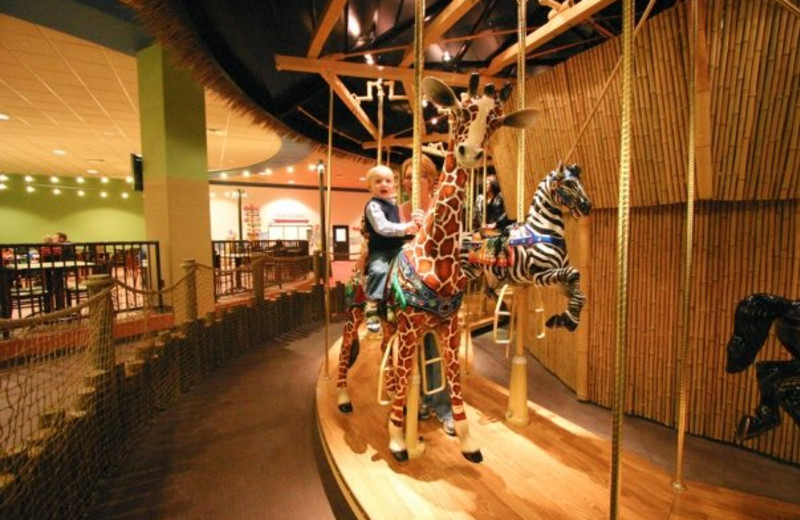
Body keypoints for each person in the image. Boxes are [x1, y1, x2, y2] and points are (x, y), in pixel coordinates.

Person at [363, 164, 421, 334]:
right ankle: (372, 305)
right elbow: (383, 227)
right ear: (369, 186)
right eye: (378, 181)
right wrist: (407, 227)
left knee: (411, 268)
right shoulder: (374, 206)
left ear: (393, 186)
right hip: (381, 250)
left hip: (397, 247)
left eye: (388, 181)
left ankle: (398, 302)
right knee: (379, 269)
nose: (384, 184)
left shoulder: (393, 204)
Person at [398, 154, 438, 222]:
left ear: (430, 181)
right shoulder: (396, 212)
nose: (412, 181)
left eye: (418, 177)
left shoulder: (439, 210)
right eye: (408, 177)